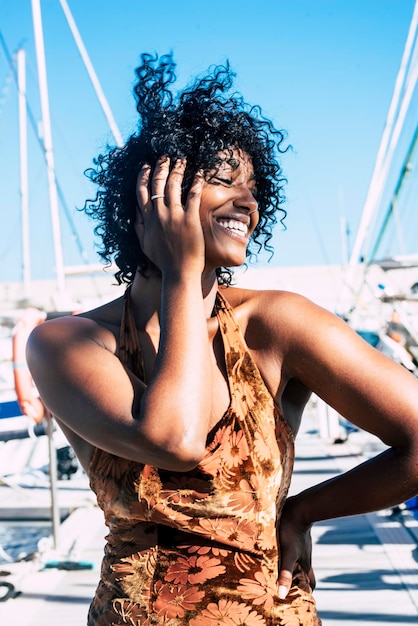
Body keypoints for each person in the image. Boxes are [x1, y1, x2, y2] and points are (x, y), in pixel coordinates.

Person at [26, 53, 418, 626]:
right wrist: (184, 277)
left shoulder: (276, 323)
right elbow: (175, 439)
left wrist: (304, 511)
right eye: (221, 179)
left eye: (254, 187)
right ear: (150, 195)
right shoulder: (68, 342)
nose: (248, 202)